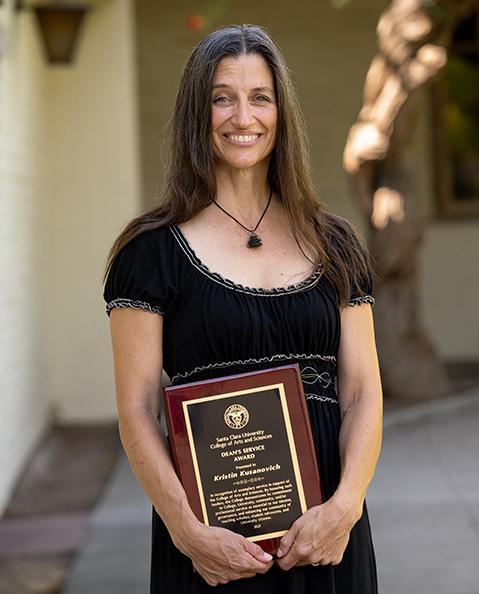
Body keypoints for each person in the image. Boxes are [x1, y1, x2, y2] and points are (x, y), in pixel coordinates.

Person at [103, 23, 382, 594]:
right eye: (222, 98)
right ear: (195, 114)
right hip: (211, 544)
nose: (242, 117)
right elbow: (136, 411)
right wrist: (186, 532)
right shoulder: (150, 253)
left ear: (282, 113)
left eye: (260, 98)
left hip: (327, 532)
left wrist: (346, 507)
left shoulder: (335, 243)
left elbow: (362, 392)